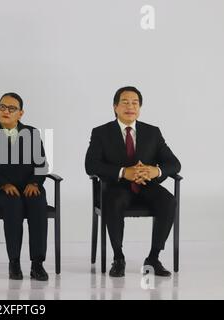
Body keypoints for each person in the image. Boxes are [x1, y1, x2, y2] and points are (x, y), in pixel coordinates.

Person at [85, 86, 181, 277]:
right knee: (113, 201)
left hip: (147, 186)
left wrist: (155, 170)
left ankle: (153, 258)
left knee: (169, 201)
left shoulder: (152, 132)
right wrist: (123, 172)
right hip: (116, 187)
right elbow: (91, 165)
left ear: (140, 108)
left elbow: (174, 163)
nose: (130, 107)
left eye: (135, 103)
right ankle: (118, 258)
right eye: (125, 102)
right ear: (115, 107)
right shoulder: (101, 132)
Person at [0, 93, 49, 281]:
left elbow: (42, 165)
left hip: (28, 187)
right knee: (13, 202)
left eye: (11, 108)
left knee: (38, 201)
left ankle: (37, 264)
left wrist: (34, 182)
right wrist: (3, 184)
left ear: (21, 113)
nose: (5, 111)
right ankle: (14, 262)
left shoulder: (32, 133)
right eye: (2, 107)